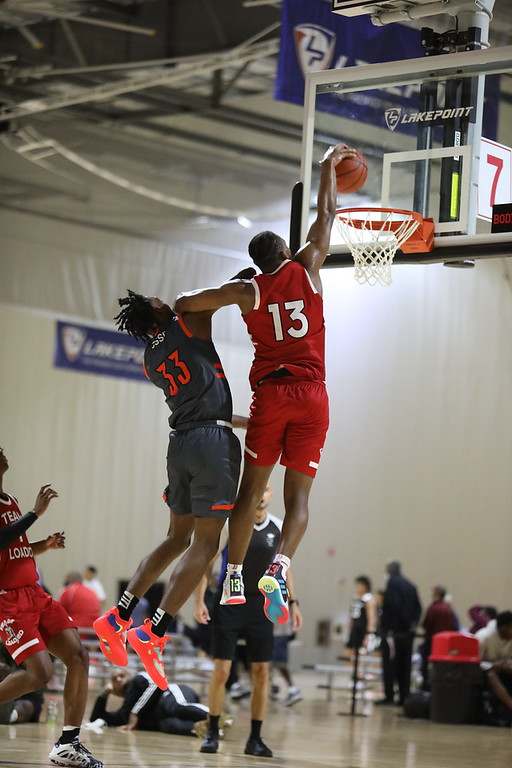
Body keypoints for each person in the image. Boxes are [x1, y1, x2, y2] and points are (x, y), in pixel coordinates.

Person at [175, 143, 357, 621]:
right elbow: (328, 210)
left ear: (257, 264)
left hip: (272, 395)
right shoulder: (309, 264)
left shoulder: (247, 290)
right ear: (286, 250)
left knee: (252, 489)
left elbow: (187, 301)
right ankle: (278, 565)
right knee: (299, 498)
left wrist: (225, 294)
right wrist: (326, 167)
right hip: (313, 396)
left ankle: (234, 574)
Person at [94, 276, 250, 690]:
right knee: (206, 544)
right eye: (159, 300)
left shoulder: (150, 359)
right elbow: (218, 297)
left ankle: (119, 616)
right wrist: (248, 279)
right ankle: (154, 630)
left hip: (181, 443)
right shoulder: (187, 319)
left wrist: (243, 421)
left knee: (175, 538)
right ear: (158, 311)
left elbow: (199, 404)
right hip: (211, 445)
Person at [0, 446, 102, 767]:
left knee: (78, 655)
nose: (3, 451)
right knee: (39, 674)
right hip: (9, 601)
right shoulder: (20, 508)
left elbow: (14, 549)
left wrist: (44, 545)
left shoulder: (9, 500)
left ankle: (68, 744)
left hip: (35, 593)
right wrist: (35, 514)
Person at [195, 486, 302, 757]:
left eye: (265, 490)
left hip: (261, 604)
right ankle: (212, 732)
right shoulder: (233, 522)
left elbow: (285, 568)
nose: (261, 495)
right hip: (230, 600)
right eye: (258, 490)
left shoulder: (278, 527)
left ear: (271, 494)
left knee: (262, 673)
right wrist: (200, 599)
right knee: (222, 670)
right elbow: (205, 561)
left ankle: (255, 738)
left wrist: (293, 602)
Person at [89, 669, 208, 736]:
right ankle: (210, 729)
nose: (119, 679)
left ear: (128, 675)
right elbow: (96, 718)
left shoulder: (138, 679)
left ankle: (215, 716)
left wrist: (135, 713)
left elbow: (157, 683)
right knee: (169, 726)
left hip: (170, 694)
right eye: (114, 679)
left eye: (121, 675)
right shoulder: (124, 712)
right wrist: (103, 695)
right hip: (162, 718)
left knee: (176, 707)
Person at [378, 561, 422, 706]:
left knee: (389, 665)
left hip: (394, 633)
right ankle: (404, 696)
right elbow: (418, 608)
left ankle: (389, 696)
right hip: (408, 634)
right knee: (405, 666)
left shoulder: (392, 583)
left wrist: (386, 628)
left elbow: (392, 606)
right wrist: (411, 625)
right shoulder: (411, 586)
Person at [420, 585, 458, 690]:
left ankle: (426, 686)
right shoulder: (448, 609)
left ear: (436, 594)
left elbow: (426, 624)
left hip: (431, 641)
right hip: (445, 644)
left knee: (426, 665)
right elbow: (454, 626)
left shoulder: (433, 608)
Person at [477, 611, 512, 725]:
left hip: (502, 669)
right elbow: (475, 663)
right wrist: (493, 665)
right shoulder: (483, 637)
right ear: (504, 628)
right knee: (492, 674)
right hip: (483, 672)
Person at [346, 576, 378, 655]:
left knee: (360, 655)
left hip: (363, 631)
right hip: (355, 630)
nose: (357, 588)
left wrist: (369, 634)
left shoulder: (369, 599)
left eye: (359, 586)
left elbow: (372, 618)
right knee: (348, 654)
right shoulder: (356, 599)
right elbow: (352, 616)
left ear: (365, 587)